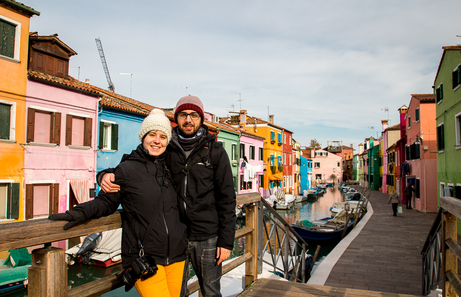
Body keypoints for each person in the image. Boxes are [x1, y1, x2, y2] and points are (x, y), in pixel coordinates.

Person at [99, 95, 237, 297]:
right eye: (183, 115)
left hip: (207, 237)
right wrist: (104, 173)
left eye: (193, 115)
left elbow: (227, 199)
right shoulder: (166, 147)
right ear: (176, 118)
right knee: (176, 293)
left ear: (201, 119)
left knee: (210, 292)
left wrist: (226, 242)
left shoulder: (215, 152)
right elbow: (137, 159)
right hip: (176, 238)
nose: (188, 120)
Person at [49, 109, 187, 297]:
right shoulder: (126, 169)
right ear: (143, 137)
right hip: (145, 258)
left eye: (163, 136)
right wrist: (79, 212)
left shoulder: (171, 168)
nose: (157, 140)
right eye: (152, 134)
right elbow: (105, 202)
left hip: (177, 256)